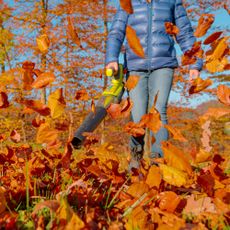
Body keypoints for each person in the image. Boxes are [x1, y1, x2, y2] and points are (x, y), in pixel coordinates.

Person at [105, 0, 203, 170]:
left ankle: (158, 163)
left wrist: (195, 63)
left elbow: (185, 33)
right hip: (135, 67)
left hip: (164, 64)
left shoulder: (171, 2)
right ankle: (135, 163)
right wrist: (112, 58)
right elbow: (116, 32)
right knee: (137, 115)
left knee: (158, 111)